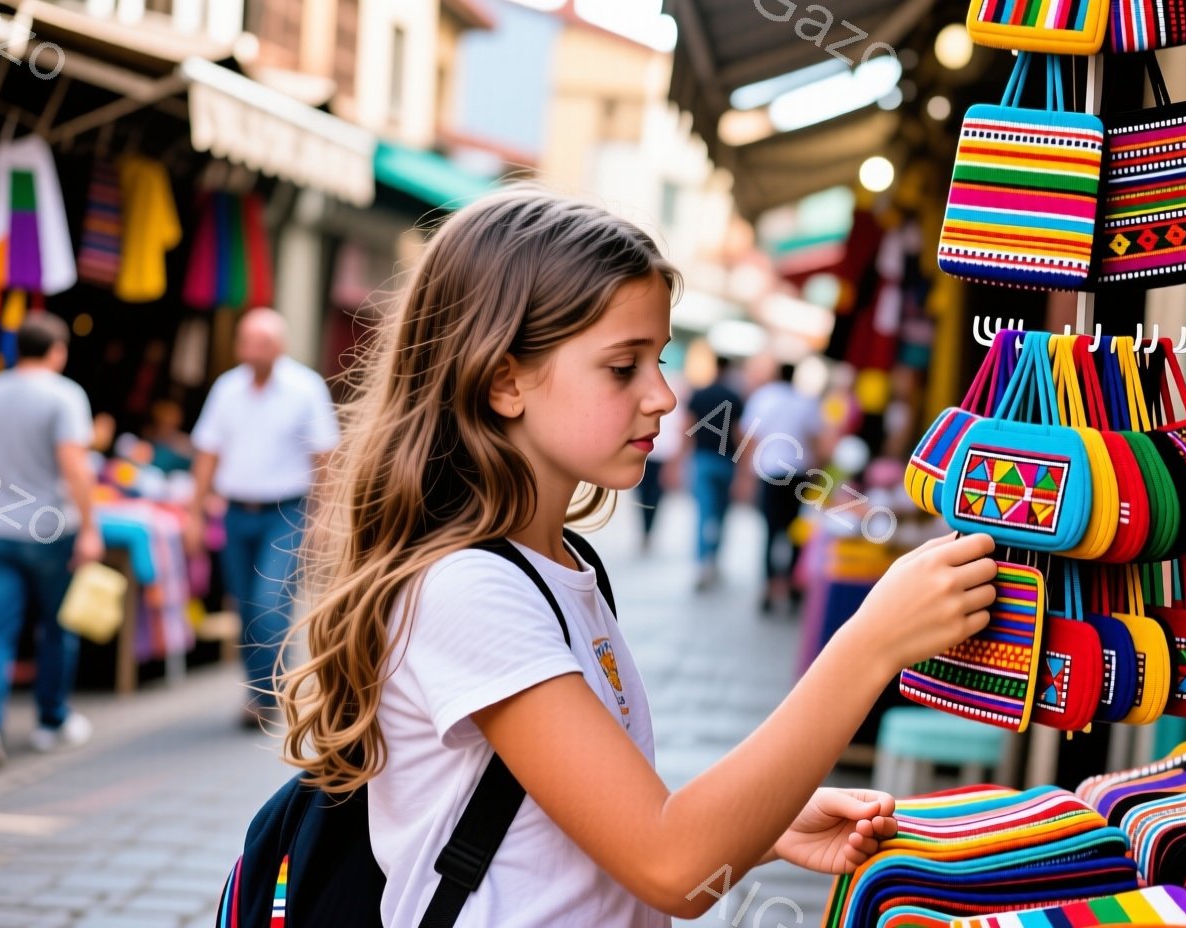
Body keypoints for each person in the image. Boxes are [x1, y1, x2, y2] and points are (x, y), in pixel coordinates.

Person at [276, 189, 997, 927]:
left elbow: (587, 827)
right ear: (503, 380)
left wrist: (762, 824)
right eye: (624, 367)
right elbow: (671, 865)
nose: (661, 395)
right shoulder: (468, 589)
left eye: (659, 358)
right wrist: (872, 644)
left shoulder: (557, 565)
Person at [185, 308, 338, 728]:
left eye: (263, 343)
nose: (253, 351)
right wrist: (194, 514)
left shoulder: (305, 387)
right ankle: (261, 689)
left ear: (280, 347)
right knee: (246, 607)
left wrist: (322, 516)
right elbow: (208, 453)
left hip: (285, 512)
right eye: (247, 342)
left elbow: (324, 454)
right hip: (235, 512)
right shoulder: (227, 388)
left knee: (270, 605)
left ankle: (267, 693)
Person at [0, 312, 103, 768]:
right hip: (51, 528)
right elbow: (75, 464)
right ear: (57, 350)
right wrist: (90, 527)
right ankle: (51, 721)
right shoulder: (65, 395)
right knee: (56, 626)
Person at [740, 362, 826, 614]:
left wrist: (744, 474)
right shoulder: (806, 402)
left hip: (770, 473)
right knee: (794, 533)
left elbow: (749, 437)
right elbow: (816, 440)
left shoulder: (763, 397)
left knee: (769, 531)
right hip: (799, 474)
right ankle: (790, 586)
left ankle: (768, 587)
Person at [683, 353, 743, 590]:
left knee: (702, 513)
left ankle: (702, 564)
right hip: (726, 461)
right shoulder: (735, 397)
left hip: (702, 460)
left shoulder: (699, 394)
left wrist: (680, 460)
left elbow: (686, 428)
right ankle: (715, 559)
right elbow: (739, 433)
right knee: (722, 515)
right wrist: (743, 468)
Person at [635, 369, 681, 553]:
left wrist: (673, 463)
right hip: (648, 456)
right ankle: (645, 531)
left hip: (661, 457)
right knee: (644, 496)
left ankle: (648, 532)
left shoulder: (673, 409)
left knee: (654, 497)